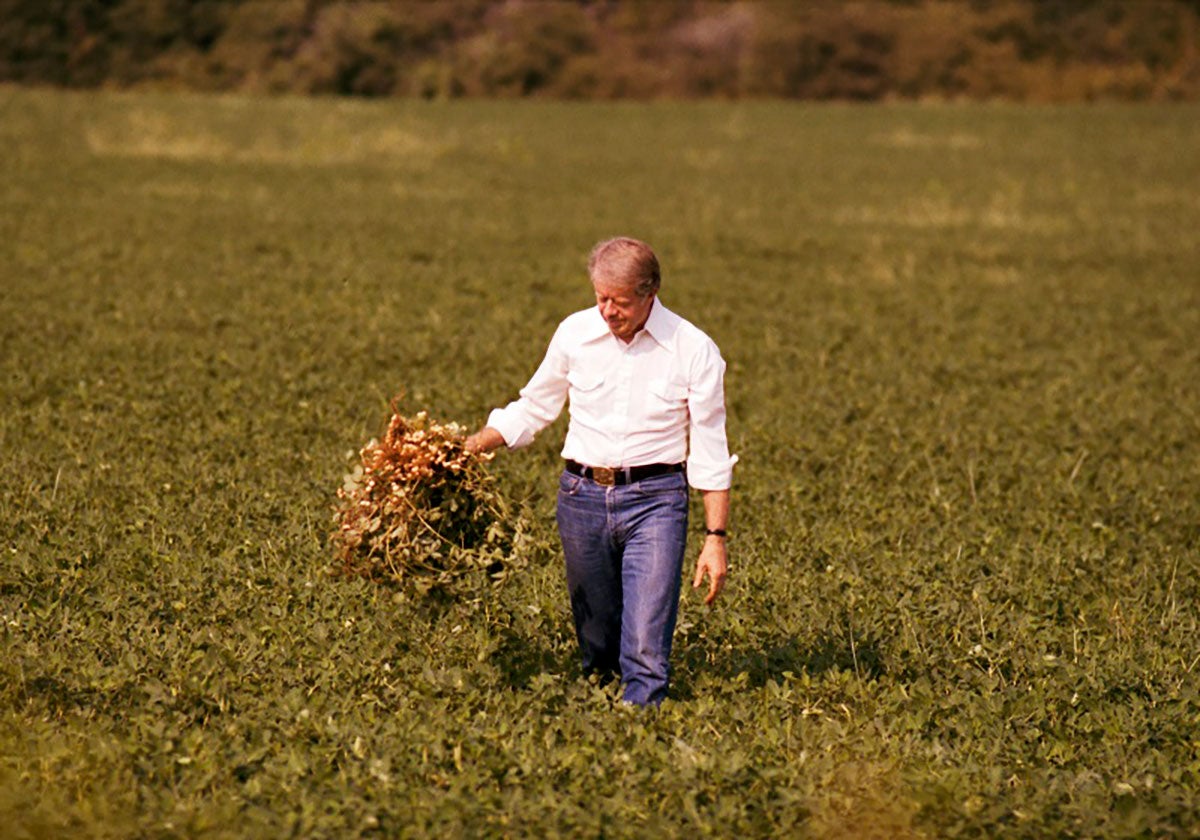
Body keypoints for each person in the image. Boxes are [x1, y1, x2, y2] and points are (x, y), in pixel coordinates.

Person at [464, 237, 737, 706]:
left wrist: (716, 537)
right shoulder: (574, 333)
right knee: (596, 643)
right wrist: (471, 446)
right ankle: (601, 731)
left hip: (656, 501)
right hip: (581, 499)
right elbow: (535, 407)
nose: (607, 311)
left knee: (647, 646)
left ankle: (642, 739)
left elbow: (711, 450)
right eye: (600, 297)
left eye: (620, 301)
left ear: (650, 293)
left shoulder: (693, 350)